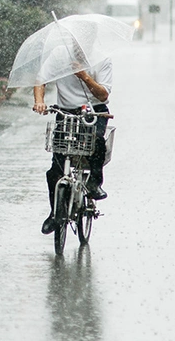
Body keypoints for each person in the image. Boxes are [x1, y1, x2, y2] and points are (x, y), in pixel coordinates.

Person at [33, 58, 112, 235]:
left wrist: (84, 76)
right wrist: (39, 100)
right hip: (65, 111)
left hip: (94, 110)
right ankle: (55, 213)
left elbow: (104, 95)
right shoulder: (60, 54)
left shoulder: (102, 57)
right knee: (56, 168)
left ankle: (94, 183)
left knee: (96, 141)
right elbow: (41, 80)